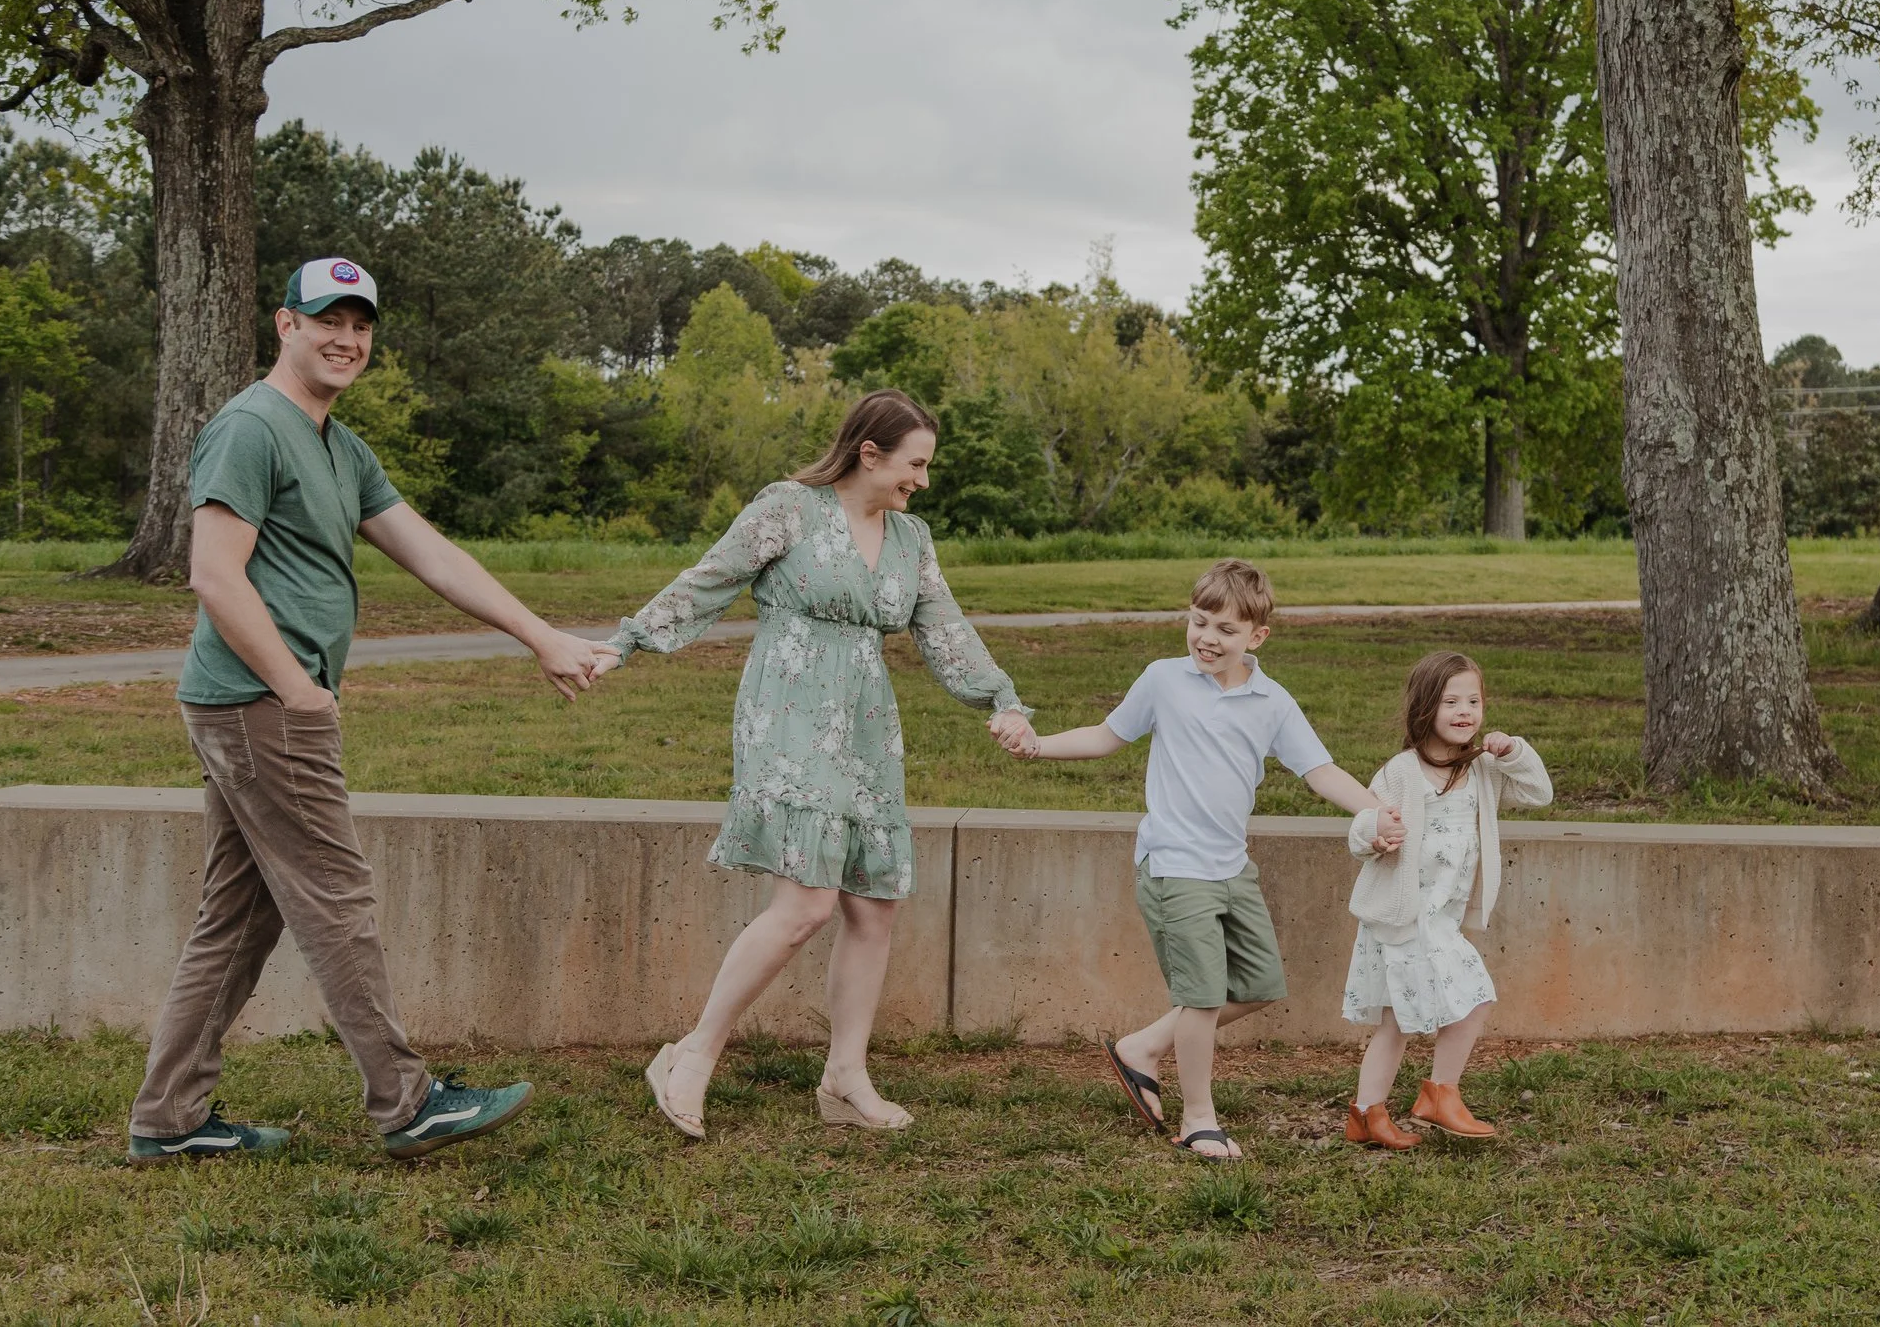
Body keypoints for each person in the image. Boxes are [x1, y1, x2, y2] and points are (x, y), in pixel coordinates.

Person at [128, 257, 605, 1166]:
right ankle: (407, 1101)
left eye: (361, 325)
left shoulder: (339, 445)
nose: (347, 340)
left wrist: (539, 634)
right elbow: (213, 576)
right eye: (327, 321)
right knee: (335, 897)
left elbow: (433, 553)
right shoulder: (251, 427)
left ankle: (170, 1119)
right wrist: (300, 691)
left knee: (239, 915)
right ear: (285, 325)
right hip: (262, 704)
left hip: (255, 705)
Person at [593, 389, 1033, 1139]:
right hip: (788, 712)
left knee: (872, 904)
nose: (922, 480)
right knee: (807, 905)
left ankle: (844, 1076)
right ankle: (692, 1054)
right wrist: (627, 640)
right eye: (914, 464)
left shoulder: (910, 538)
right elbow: (711, 579)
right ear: (869, 453)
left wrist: (1002, 699)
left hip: (866, 726)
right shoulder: (789, 508)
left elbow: (945, 630)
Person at [1000, 558, 1396, 1161]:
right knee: (1204, 996)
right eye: (1199, 622)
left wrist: (1377, 813)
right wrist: (1038, 745)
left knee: (1260, 983)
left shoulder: (1272, 701)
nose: (1208, 638)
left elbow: (1320, 770)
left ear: (1257, 637)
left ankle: (1141, 1048)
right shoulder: (1163, 679)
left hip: (1232, 868)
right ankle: (1198, 1119)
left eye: (1226, 630)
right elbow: (1108, 736)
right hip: (1174, 867)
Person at [1339, 650, 1552, 1148]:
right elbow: (1358, 829)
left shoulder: (1483, 770)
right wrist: (1376, 832)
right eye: (1451, 701)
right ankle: (1416, 1100)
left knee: (1426, 1014)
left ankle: (1384, 1110)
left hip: (1440, 921)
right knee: (1442, 1008)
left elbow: (1539, 793)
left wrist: (1514, 750)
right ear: (1425, 708)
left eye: (1473, 701)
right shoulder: (1401, 772)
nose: (1464, 711)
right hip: (1402, 919)